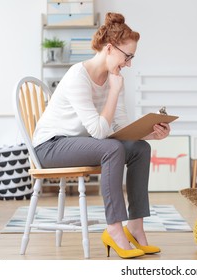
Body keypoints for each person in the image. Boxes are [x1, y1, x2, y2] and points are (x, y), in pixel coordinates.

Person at [33, 12, 169, 259]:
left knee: (139, 149)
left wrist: (150, 134)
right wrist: (114, 92)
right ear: (109, 48)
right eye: (127, 57)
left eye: (131, 58)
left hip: (81, 144)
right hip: (50, 147)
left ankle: (135, 227)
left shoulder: (114, 79)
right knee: (112, 149)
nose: (128, 64)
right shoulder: (78, 76)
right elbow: (98, 132)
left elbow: (120, 129)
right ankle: (114, 229)